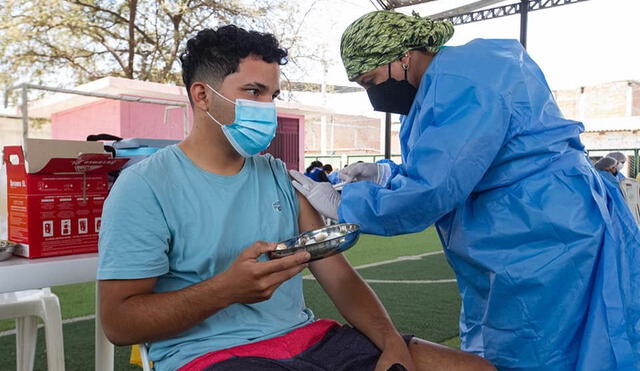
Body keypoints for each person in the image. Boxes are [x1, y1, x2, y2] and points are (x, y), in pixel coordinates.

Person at [97, 25, 494, 371]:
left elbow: (337, 276)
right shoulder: (144, 187)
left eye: (273, 94)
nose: (268, 108)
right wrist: (226, 290)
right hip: (214, 355)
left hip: (309, 342)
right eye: (253, 91)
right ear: (202, 95)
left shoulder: (278, 176)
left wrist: (391, 341)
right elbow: (119, 323)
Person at [290, 10, 640, 371]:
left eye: (370, 80)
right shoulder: (436, 88)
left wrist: (346, 205)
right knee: (506, 341)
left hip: (544, 233)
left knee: (543, 349)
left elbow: (434, 187)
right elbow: (450, 165)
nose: (371, 95)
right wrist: (384, 174)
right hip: (519, 230)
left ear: (402, 57)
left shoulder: (467, 80)